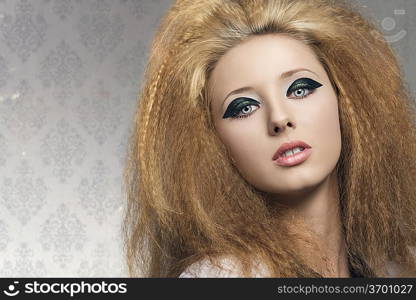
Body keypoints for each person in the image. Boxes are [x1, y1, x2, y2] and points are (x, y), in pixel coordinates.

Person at [123, 0, 416, 277]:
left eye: (299, 89)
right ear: (211, 141)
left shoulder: (398, 272)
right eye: (244, 107)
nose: (278, 118)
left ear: (345, 99)